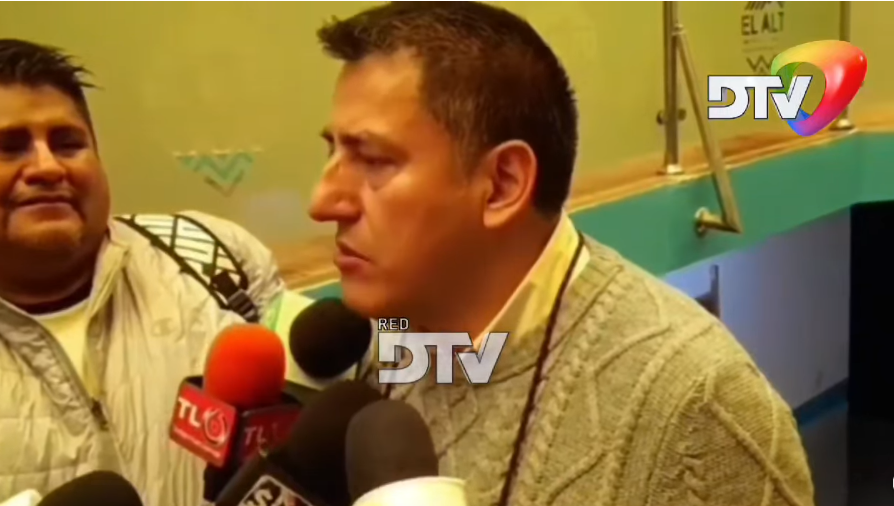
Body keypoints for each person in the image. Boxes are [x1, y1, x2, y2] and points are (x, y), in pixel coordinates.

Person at [310, 3, 815, 506]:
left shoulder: (700, 408)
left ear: (502, 184)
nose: (323, 201)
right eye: (333, 152)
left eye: (372, 160)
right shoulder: (387, 338)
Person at [0, 39, 298, 505]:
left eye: (68, 143)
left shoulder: (214, 259)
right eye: (9, 148)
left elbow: (377, 384)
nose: (48, 167)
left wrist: (411, 323)